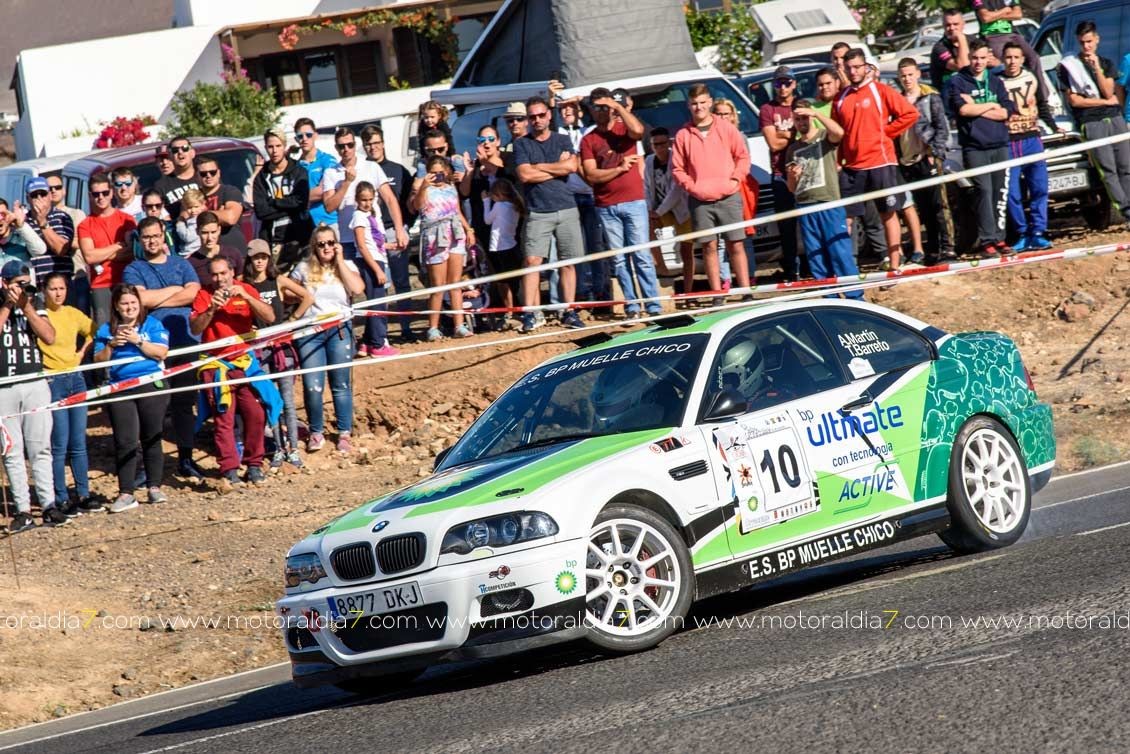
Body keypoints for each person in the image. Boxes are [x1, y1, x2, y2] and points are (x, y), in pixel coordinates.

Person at [123, 216, 204, 482]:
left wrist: (156, 298)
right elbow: (141, 299)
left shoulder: (181, 263)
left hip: (185, 340)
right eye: (146, 237)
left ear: (163, 236)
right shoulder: (134, 269)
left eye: (156, 236)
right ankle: (148, 468)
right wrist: (175, 290)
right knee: (152, 407)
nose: (152, 241)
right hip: (151, 345)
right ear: (140, 239)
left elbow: (193, 293)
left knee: (184, 403)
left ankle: (186, 459)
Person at [190, 256, 278, 485]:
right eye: (215, 274)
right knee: (223, 418)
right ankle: (229, 468)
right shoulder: (203, 294)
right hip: (216, 365)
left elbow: (270, 316)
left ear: (232, 272)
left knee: (256, 413)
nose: (219, 279)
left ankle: (254, 464)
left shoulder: (246, 289)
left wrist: (247, 297)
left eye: (223, 273)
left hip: (245, 362)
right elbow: (195, 328)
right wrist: (212, 309)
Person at [832, 49, 919, 271]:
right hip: (852, 167)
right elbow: (837, 133)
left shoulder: (880, 90)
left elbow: (910, 114)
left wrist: (886, 133)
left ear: (866, 67)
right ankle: (846, 269)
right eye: (849, 68)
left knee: (888, 214)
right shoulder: (840, 98)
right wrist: (839, 160)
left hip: (881, 162)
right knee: (846, 218)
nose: (853, 72)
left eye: (857, 67)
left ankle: (895, 265)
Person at [581, 87, 661, 322]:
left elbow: (639, 131)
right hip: (606, 206)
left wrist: (616, 106)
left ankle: (653, 305)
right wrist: (619, 169)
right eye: (597, 107)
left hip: (634, 201)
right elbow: (591, 175)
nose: (602, 111)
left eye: (605, 106)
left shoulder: (624, 128)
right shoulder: (588, 140)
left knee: (641, 255)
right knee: (619, 259)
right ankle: (631, 304)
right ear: (591, 110)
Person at [670, 83, 752, 301]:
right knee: (708, 247)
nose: (699, 107)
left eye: (702, 102)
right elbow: (677, 169)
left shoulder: (726, 128)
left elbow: (742, 156)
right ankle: (717, 294)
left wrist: (735, 179)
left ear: (710, 102)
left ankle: (745, 291)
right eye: (694, 103)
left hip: (729, 196)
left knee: (736, 244)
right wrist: (692, 187)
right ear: (688, 105)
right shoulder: (682, 135)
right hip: (699, 201)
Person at [93, 283, 170, 512]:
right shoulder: (106, 329)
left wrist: (138, 340)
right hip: (120, 387)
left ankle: (154, 487)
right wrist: (111, 345)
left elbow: (161, 352)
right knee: (125, 440)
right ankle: (126, 492)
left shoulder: (152, 324)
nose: (129, 307)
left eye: (133, 303)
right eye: (124, 303)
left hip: (150, 384)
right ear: (116, 306)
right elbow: (97, 360)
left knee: (152, 436)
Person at [289, 225, 364, 454]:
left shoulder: (347, 266)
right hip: (309, 333)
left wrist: (339, 260)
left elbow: (357, 288)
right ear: (314, 247)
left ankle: (344, 432)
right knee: (313, 385)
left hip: (339, 330)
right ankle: (316, 431)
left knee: (341, 384)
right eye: (321, 244)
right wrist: (300, 299)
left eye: (331, 243)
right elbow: (287, 291)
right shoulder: (302, 268)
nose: (327, 248)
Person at [514, 95, 585, 332]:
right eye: (532, 116)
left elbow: (572, 167)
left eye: (541, 115)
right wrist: (557, 168)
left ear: (548, 115)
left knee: (568, 262)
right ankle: (530, 314)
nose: (537, 120)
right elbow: (524, 175)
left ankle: (569, 311)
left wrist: (538, 167)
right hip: (538, 211)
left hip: (566, 207)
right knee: (532, 261)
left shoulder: (562, 139)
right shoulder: (522, 144)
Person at [242, 239, 312, 468]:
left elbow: (307, 297)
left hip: (281, 345)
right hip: (259, 347)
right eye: (256, 257)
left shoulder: (278, 280)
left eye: (263, 257)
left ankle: (293, 448)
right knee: (270, 400)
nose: (260, 261)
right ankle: (278, 448)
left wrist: (292, 321)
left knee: (288, 401)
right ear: (250, 260)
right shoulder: (243, 283)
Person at [785, 101, 863, 300]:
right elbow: (791, 188)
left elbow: (839, 133)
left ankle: (855, 298)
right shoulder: (792, 149)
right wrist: (793, 176)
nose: (801, 122)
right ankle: (830, 300)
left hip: (828, 203)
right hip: (805, 206)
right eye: (797, 119)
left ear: (811, 116)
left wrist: (817, 114)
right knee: (816, 257)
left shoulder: (823, 137)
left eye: (804, 117)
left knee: (840, 253)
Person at [0, 261, 56, 532]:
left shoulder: (35, 301)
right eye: (18, 284)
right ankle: (22, 510)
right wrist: (8, 305)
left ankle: (49, 505)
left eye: (26, 283)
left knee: (40, 447)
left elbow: (49, 336)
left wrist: (26, 306)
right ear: (5, 282)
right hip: (4, 385)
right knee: (12, 451)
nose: (23, 288)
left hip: (34, 381)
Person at [947, 38, 1017, 256]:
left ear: (989, 58)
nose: (978, 62)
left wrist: (977, 107)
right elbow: (963, 110)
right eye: (975, 58)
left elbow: (1005, 111)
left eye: (982, 58)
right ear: (969, 58)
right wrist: (990, 105)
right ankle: (987, 239)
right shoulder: (958, 81)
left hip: (999, 144)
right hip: (975, 147)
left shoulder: (995, 81)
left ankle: (1000, 238)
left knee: (999, 192)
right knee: (983, 192)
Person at [1057, 20, 1130, 228]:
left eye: (1089, 41)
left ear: (1097, 40)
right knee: (1108, 170)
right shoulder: (1069, 67)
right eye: (1082, 42)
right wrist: (1104, 102)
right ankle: (1126, 211)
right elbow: (1075, 101)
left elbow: (1108, 91)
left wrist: (1097, 68)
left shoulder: (1106, 63)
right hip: (1091, 121)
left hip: (1114, 118)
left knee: (1126, 167)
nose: (1086, 46)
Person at [39, 272, 98, 517]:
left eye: (61, 288)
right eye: (53, 288)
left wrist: (82, 352)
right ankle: (61, 497)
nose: (58, 293)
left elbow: (95, 330)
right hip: (53, 380)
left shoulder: (73, 313)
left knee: (78, 442)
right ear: (45, 291)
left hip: (76, 378)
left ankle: (83, 494)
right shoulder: (41, 315)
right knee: (59, 443)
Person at [999, 41, 1059, 251]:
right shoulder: (997, 81)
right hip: (1009, 141)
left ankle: (1038, 232)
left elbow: (1042, 104)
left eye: (1016, 57)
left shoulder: (1031, 77)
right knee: (1012, 193)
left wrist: (1053, 126)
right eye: (1008, 57)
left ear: (1022, 59)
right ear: (1002, 59)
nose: (1012, 61)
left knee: (1040, 188)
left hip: (1032, 139)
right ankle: (1022, 233)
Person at [896, 59, 956, 264]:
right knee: (924, 207)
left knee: (939, 204)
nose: (907, 79)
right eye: (903, 76)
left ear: (917, 74)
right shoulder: (897, 100)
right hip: (908, 159)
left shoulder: (930, 97)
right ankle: (932, 248)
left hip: (928, 156)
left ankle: (948, 248)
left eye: (910, 74)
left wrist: (935, 152)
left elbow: (942, 127)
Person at [360, 124, 415, 340]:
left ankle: (406, 328)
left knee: (402, 282)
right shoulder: (362, 169)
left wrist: (403, 227)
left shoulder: (398, 170)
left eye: (376, 143)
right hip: (372, 233)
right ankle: (380, 334)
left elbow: (408, 202)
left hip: (394, 230)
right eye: (368, 144)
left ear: (383, 144)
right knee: (380, 284)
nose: (373, 147)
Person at [321, 126, 408, 261]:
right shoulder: (330, 173)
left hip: (373, 237)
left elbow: (390, 199)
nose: (346, 149)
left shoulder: (371, 166)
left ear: (355, 145)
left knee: (381, 273)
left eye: (350, 145)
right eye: (342, 146)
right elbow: (329, 207)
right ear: (336, 148)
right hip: (348, 239)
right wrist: (346, 183)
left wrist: (399, 229)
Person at [556, 98, 609, 310]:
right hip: (569, 196)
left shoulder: (589, 131)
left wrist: (581, 101)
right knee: (574, 248)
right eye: (562, 109)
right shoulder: (559, 133)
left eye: (571, 108)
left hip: (590, 194)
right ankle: (579, 293)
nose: (566, 112)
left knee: (596, 246)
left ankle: (601, 292)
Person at [414, 156, 475, 341]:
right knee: (438, 286)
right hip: (435, 236)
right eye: (433, 173)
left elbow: (457, 211)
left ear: (447, 172)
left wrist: (468, 229)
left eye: (441, 172)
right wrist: (424, 186)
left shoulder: (451, 188)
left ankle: (459, 325)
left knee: (455, 283)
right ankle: (433, 327)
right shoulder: (425, 189)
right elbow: (418, 206)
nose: (438, 176)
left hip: (454, 233)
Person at [78, 173, 136, 327]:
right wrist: (117, 246)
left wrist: (102, 255)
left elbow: (132, 252)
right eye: (96, 194)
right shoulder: (85, 225)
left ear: (111, 192)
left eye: (105, 193)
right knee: (105, 330)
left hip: (127, 279)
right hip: (101, 285)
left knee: (131, 325)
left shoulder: (127, 220)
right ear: (90, 195)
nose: (101, 197)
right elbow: (89, 257)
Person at [644, 126, 694, 306]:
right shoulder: (649, 161)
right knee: (647, 228)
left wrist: (658, 211)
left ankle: (688, 292)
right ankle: (662, 267)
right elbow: (647, 187)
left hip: (680, 208)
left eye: (662, 144)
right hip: (659, 208)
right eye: (655, 144)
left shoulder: (676, 158)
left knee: (686, 250)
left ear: (669, 143)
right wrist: (650, 210)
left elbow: (676, 190)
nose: (659, 148)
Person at [760, 67, 800, 280]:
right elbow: (774, 144)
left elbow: (808, 135)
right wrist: (794, 134)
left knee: (809, 223)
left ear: (794, 84)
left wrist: (786, 133)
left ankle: (813, 266)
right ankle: (792, 269)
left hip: (804, 171)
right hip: (780, 173)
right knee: (786, 225)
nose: (783, 87)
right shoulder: (768, 109)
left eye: (787, 82)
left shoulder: (801, 105)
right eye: (778, 83)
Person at [350, 181, 398, 357]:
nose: (367, 203)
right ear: (357, 199)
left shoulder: (371, 214)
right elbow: (362, 245)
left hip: (378, 257)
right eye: (364, 200)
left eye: (370, 199)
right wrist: (377, 270)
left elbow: (372, 240)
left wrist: (387, 246)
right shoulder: (359, 217)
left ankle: (368, 341)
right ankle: (378, 343)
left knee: (379, 301)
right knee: (377, 303)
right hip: (370, 261)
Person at [971, 0, 1046, 100]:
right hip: (992, 36)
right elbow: (985, 18)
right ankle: (1009, 99)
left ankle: (1042, 99)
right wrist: (1005, 10)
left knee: (1034, 58)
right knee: (1004, 65)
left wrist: (994, 15)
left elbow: (1018, 14)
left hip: (1012, 34)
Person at [253, 128, 313, 248]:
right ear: (265, 148)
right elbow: (261, 212)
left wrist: (273, 202)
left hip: (301, 238)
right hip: (272, 240)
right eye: (270, 147)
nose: (274, 151)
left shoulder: (299, 171)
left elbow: (301, 202)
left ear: (285, 146)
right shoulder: (261, 177)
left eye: (278, 146)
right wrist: (290, 206)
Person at [26, 177, 78, 306]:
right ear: (28, 199)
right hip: (35, 288)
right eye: (34, 195)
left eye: (43, 194)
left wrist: (42, 223)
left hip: (61, 288)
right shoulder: (24, 222)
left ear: (49, 196)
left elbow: (61, 249)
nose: (39, 198)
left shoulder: (62, 217)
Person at [481, 177, 525, 319]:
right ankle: (515, 308)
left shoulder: (499, 206)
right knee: (513, 281)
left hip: (499, 247)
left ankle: (509, 310)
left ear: (498, 195)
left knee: (503, 281)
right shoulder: (515, 206)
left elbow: (487, 220)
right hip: (512, 246)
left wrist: (485, 201)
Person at [293, 117, 339, 229]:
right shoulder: (295, 166)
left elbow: (322, 191)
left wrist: (295, 199)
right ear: (296, 139)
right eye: (300, 136)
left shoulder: (328, 160)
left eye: (308, 135)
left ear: (315, 135)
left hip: (328, 222)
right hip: (305, 225)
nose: (304, 139)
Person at [197, 155, 247, 253]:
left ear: (219, 173)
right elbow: (186, 218)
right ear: (197, 175)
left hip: (234, 252)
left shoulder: (230, 191)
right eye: (203, 173)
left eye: (212, 172)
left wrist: (201, 214)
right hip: (205, 254)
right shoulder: (194, 196)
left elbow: (230, 218)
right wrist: (220, 214)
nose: (208, 176)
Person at [188, 211, 243, 289]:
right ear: (197, 231)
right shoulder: (191, 263)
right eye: (204, 233)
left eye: (213, 232)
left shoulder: (233, 253)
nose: (210, 238)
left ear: (219, 230)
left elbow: (241, 282)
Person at [153, 136, 201, 218]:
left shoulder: (206, 176)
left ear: (193, 153)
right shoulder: (161, 186)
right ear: (170, 156)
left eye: (185, 148)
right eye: (175, 150)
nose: (180, 152)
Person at [930, 8, 973, 95]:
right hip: (950, 92)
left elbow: (991, 61)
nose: (952, 28)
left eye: (956, 24)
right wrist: (961, 38)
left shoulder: (973, 41)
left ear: (963, 24)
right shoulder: (939, 48)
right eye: (948, 25)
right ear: (943, 26)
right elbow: (962, 66)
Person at [0, 199, 47, 266]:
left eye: (3, 215)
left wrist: (21, 226)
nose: (0, 219)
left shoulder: (22, 237)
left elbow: (40, 251)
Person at [175, 188, 207, 257]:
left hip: (192, 252)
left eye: (196, 207)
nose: (193, 210)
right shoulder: (191, 219)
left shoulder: (199, 220)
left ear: (202, 205)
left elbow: (188, 237)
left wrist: (180, 223)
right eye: (189, 207)